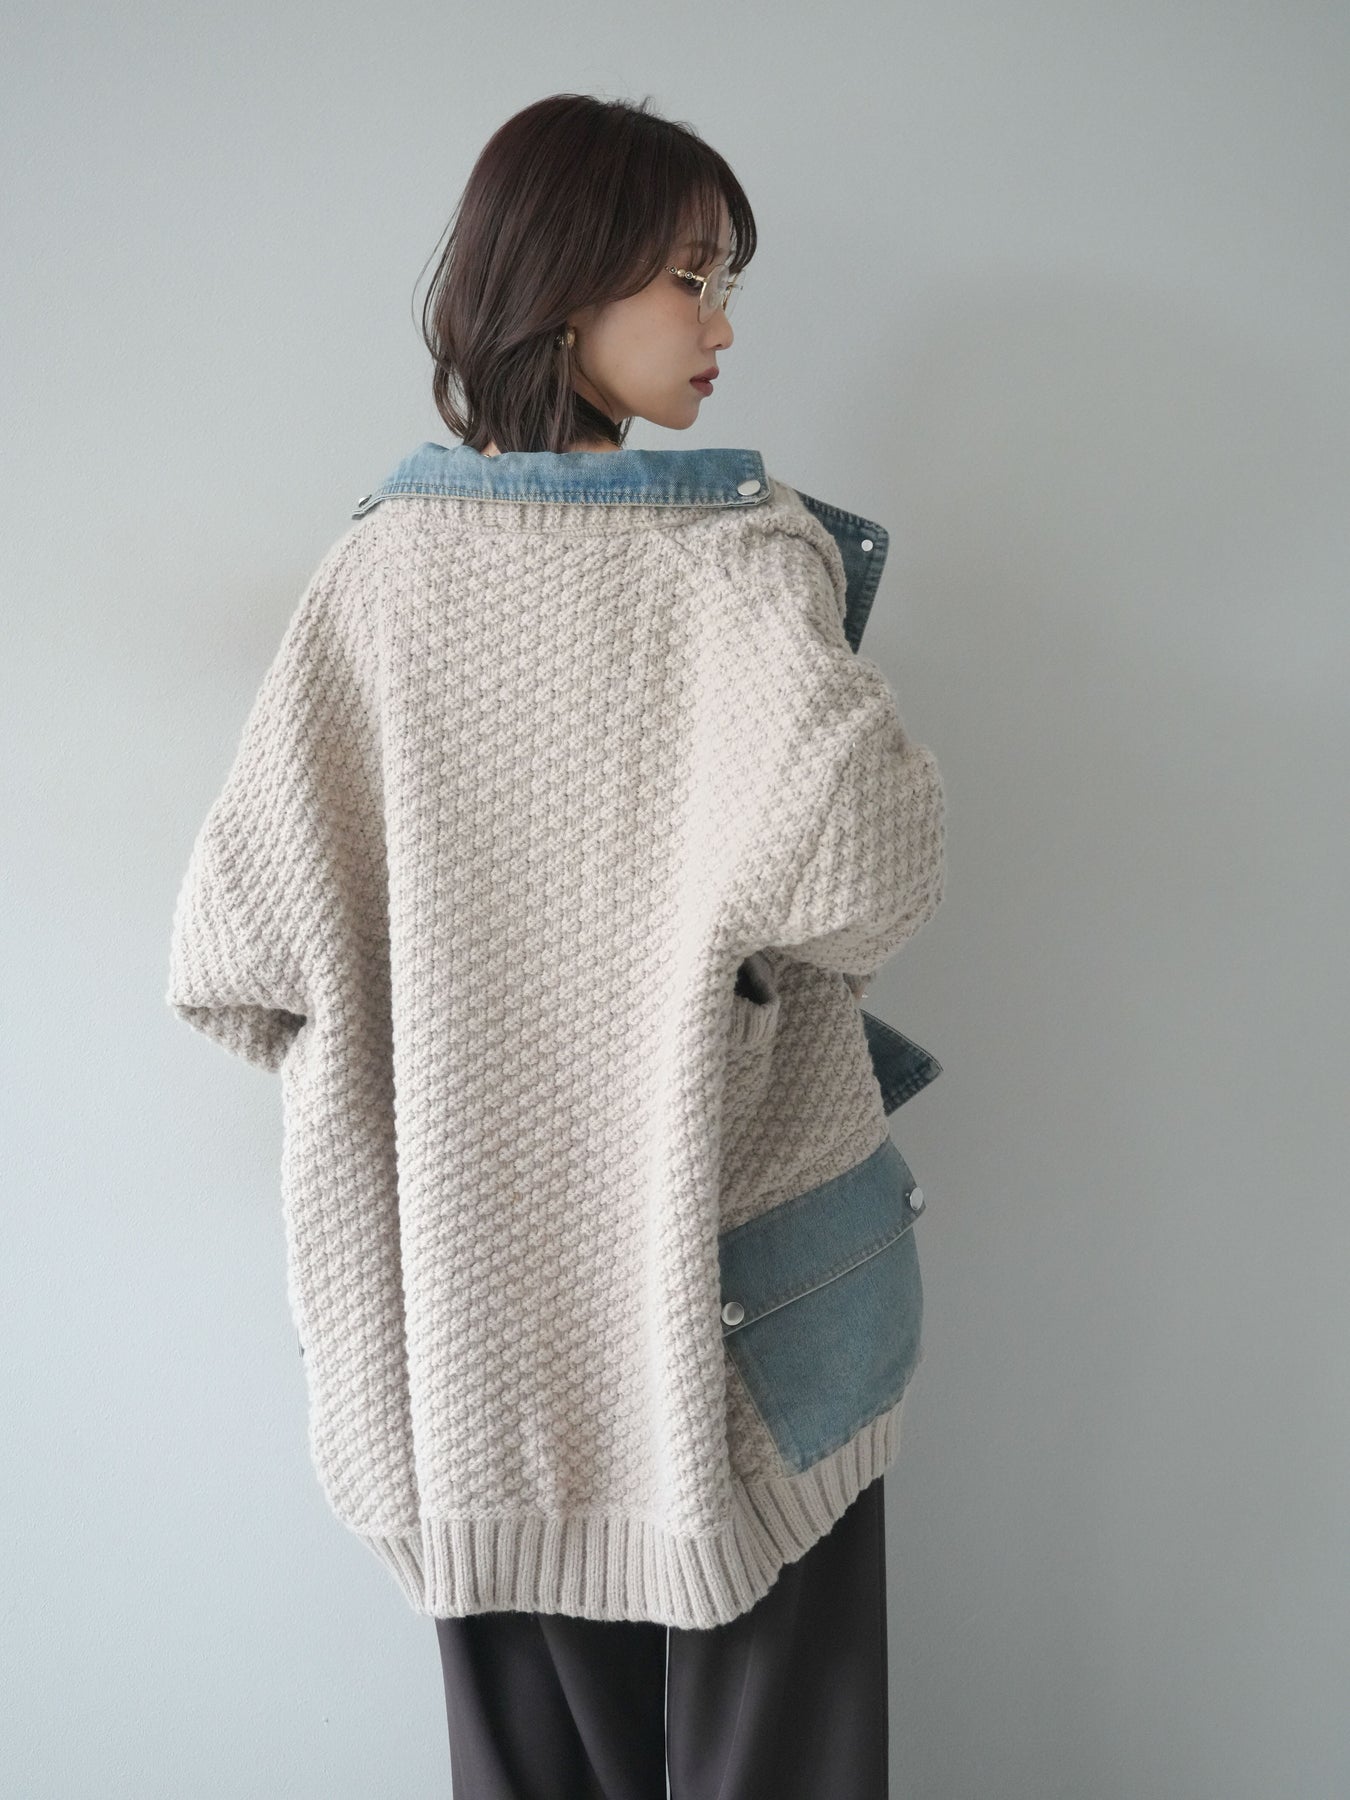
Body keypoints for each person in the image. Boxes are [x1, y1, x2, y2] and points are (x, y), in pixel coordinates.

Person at [166, 91, 946, 1798]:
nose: (723, 326)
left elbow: (237, 953)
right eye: (691, 277)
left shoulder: (378, 582)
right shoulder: (738, 561)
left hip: (465, 1324)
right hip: (750, 1288)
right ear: (566, 279)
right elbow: (870, 872)